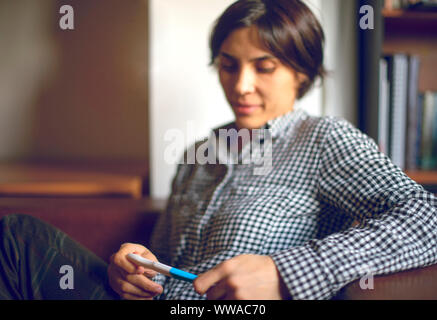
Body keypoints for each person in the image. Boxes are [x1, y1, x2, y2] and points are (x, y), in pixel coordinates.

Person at [0, 0, 436, 300]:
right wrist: (135, 273)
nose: (240, 85)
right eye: (228, 65)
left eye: (264, 67)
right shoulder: (197, 154)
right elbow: (163, 262)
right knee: (18, 237)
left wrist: (286, 275)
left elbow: (428, 218)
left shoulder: (325, 140)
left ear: (302, 73)